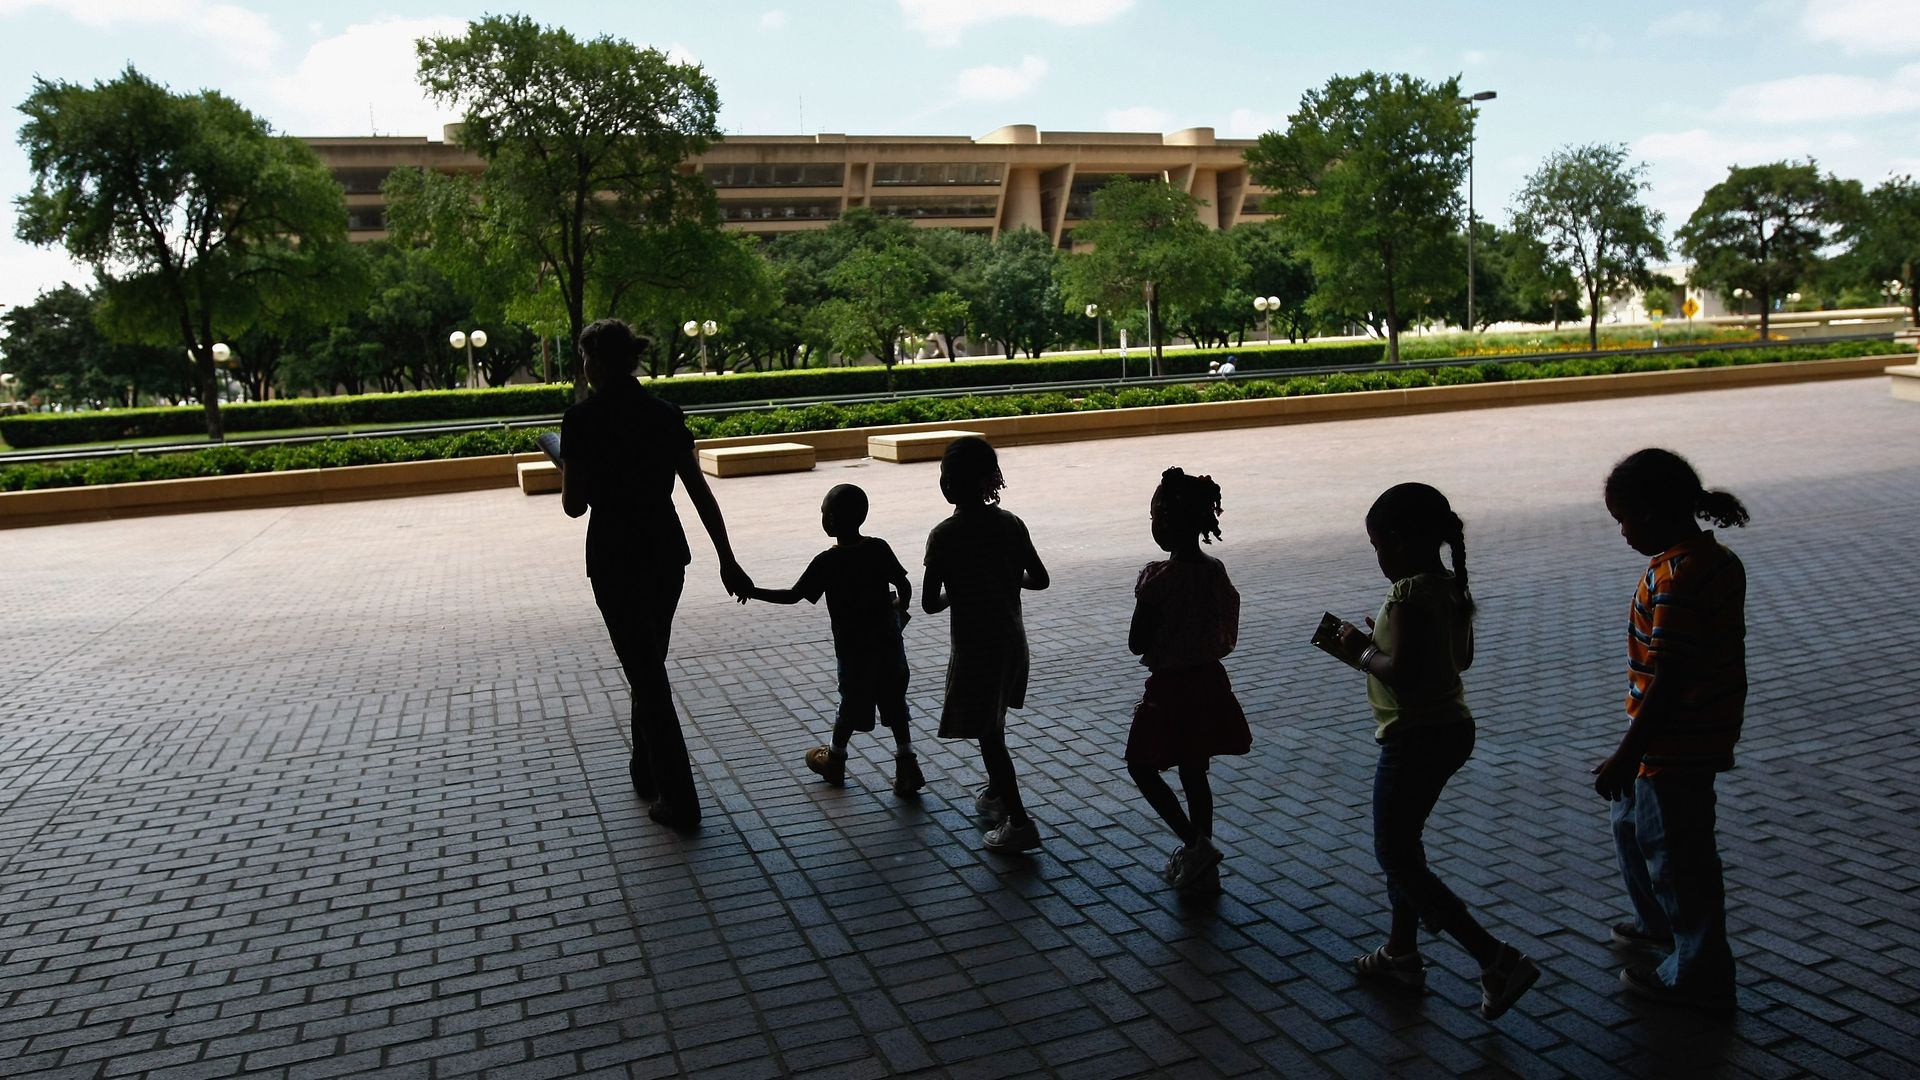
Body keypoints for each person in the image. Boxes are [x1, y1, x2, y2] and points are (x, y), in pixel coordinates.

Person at [1334, 482, 1539, 1021]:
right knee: (1404, 846)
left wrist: (1359, 651)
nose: (1377, 558)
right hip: (1452, 729)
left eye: (1377, 545)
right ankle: (1401, 951)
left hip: (1413, 736)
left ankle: (1494, 958)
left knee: (1394, 853)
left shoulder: (1405, 594)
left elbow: (1398, 673)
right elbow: (1460, 660)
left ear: (1397, 541)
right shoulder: (1449, 588)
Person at [559, 318, 752, 831]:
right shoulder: (665, 414)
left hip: (614, 559)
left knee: (646, 674)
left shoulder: (581, 420)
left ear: (596, 361)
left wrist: (569, 465)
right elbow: (698, 492)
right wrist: (726, 558)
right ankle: (645, 769)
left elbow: (575, 506)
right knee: (648, 664)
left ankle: (679, 798)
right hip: (667, 556)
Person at [1594, 448, 1748, 1012]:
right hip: (1684, 735)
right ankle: (1657, 924)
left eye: (1624, 519)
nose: (1623, 532)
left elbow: (1670, 676)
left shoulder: (1678, 578)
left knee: (1678, 856)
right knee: (1634, 825)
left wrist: (1627, 755)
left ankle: (1696, 969)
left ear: (1653, 513)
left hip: (1672, 742)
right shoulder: (1711, 560)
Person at [739, 483, 925, 797]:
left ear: (834, 520)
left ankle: (835, 760)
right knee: (894, 699)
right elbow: (903, 584)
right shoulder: (878, 547)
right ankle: (907, 765)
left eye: (825, 511)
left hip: (853, 650)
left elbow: (793, 595)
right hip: (889, 645)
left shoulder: (827, 561)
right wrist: (898, 607)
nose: (822, 517)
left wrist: (753, 591)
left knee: (851, 701)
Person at [1125, 467, 1250, 893]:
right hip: (1209, 683)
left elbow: (1135, 641)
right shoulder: (1215, 571)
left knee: (1142, 766)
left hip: (1169, 688)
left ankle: (1195, 845)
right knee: (1195, 772)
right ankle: (1204, 859)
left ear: (1165, 523)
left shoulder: (1158, 579)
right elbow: (1226, 629)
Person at [923, 436, 1050, 852]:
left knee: (989, 735)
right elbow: (1040, 579)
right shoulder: (1011, 523)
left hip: (976, 648)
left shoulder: (943, 535)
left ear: (950, 485)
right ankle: (996, 796)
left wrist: (959, 592)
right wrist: (1007, 579)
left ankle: (1018, 820)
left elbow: (929, 603)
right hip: (1012, 641)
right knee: (995, 722)